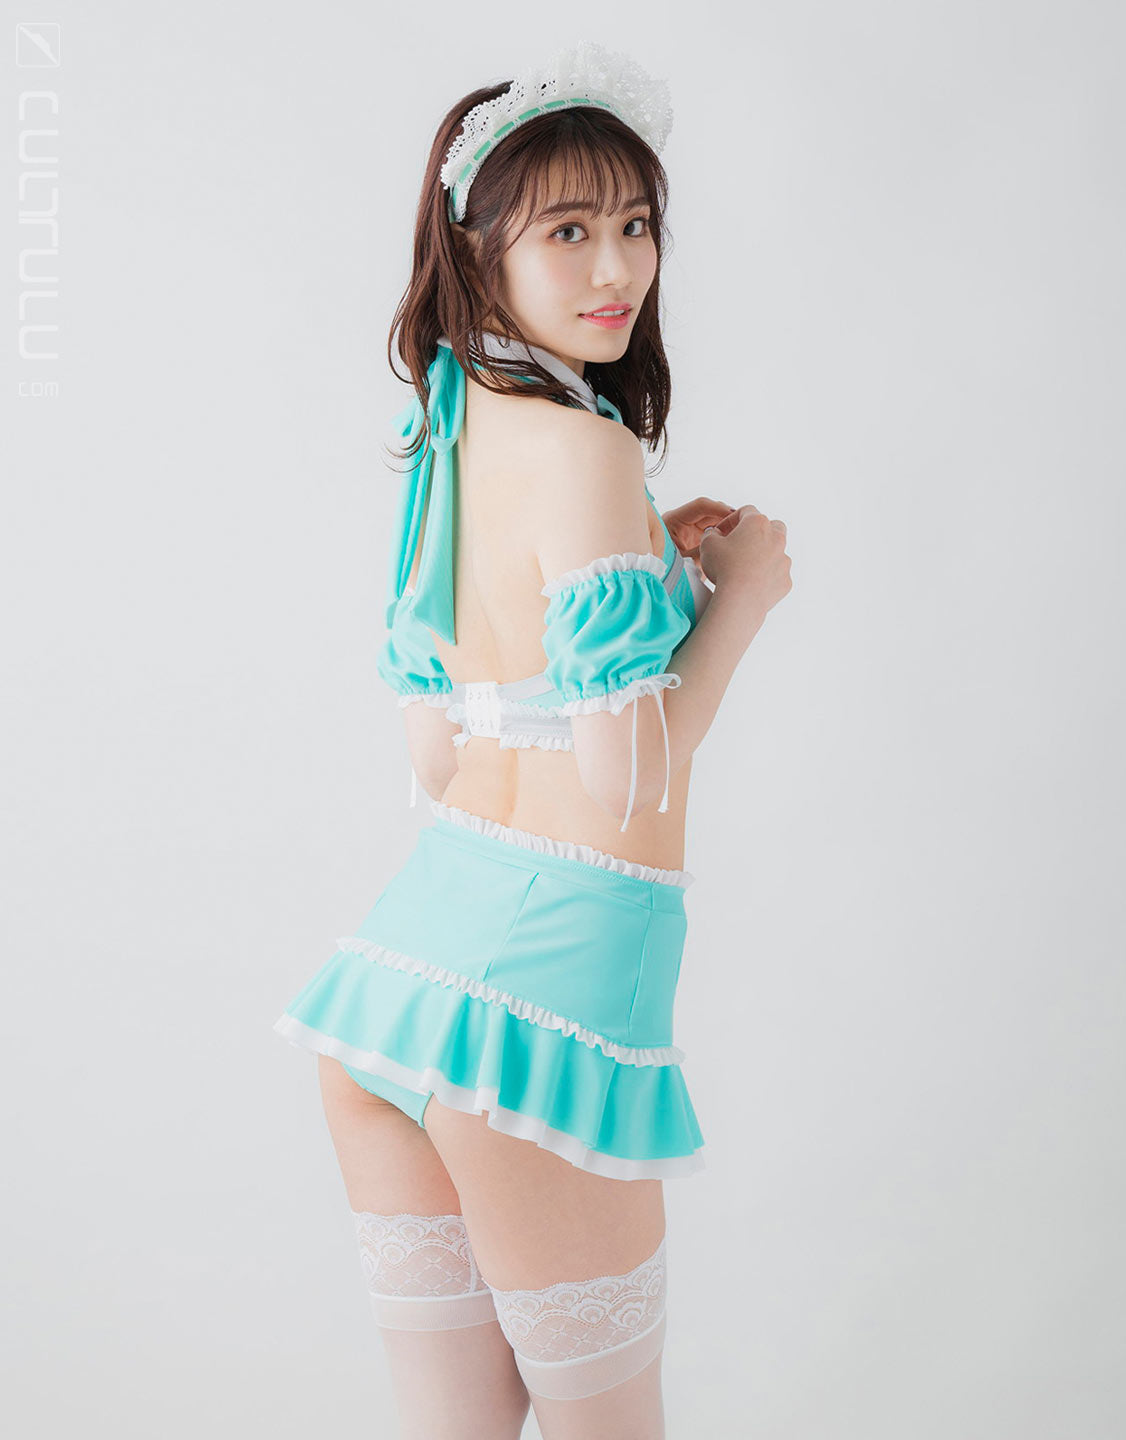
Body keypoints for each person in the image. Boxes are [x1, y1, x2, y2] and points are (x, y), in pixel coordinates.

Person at [273, 40, 792, 1440]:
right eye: (567, 231)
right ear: (479, 248)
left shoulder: (454, 429)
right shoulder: (590, 450)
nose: (616, 267)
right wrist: (739, 602)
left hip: (397, 984)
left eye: (635, 225)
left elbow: (443, 755)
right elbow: (628, 778)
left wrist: (653, 567)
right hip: (542, 1004)